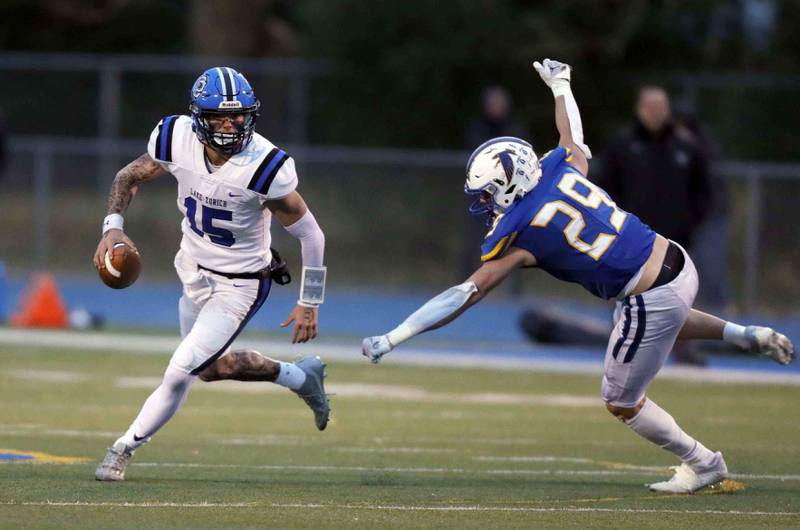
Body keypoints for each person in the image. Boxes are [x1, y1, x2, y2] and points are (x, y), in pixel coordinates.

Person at [361, 59, 794, 494]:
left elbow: (465, 293)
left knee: (620, 400)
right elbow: (573, 135)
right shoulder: (563, 169)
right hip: (677, 261)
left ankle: (704, 463)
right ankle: (744, 335)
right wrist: (561, 85)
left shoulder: (521, 233)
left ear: (509, 187)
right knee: (658, 319)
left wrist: (397, 335)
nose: (487, 203)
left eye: (490, 193)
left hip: (649, 295)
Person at [93, 67, 330, 482]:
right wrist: (112, 227)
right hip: (193, 270)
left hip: (240, 284)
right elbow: (128, 175)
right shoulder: (175, 138)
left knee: (179, 370)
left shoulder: (265, 167)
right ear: (196, 117)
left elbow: (311, 233)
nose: (229, 124)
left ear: (250, 114)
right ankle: (298, 375)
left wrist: (310, 300)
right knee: (209, 368)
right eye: (218, 116)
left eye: (237, 115)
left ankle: (122, 449)